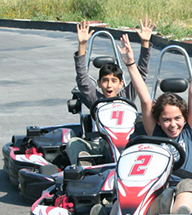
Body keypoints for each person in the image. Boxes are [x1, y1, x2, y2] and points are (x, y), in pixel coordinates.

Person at [118, 33, 192, 215]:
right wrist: (130, 64)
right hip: (159, 189)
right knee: (143, 190)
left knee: (187, 185)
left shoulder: (190, 133)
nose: (172, 124)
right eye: (166, 120)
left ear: (185, 118)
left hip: (188, 191)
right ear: (158, 120)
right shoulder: (156, 132)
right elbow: (144, 99)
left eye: (177, 119)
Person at [66, 18, 154, 165]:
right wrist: (82, 45)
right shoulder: (95, 98)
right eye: (105, 81)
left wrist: (145, 43)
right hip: (101, 146)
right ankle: (86, 170)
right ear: (99, 83)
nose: (109, 86)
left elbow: (141, 75)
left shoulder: (127, 96)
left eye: (114, 81)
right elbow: (82, 78)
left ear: (120, 84)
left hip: (126, 144)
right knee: (73, 143)